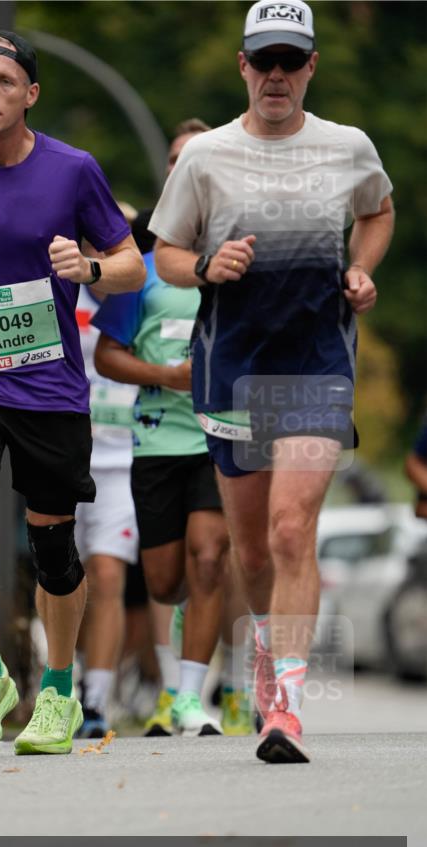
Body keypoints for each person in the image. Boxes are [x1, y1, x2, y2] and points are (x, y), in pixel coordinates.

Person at [151, 0, 394, 763]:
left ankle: (283, 705)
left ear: (311, 66)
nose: (277, 75)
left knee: (293, 531)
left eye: (291, 60)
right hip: (234, 369)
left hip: (315, 364)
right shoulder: (205, 157)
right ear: (243, 67)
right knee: (250, 553)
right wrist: (202, 267)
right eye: (265, 60)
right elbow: (163, 253)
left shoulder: (347, 146)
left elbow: (378, 212)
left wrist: (359, 268)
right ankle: (264, 652)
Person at [0, 30, 145, 755]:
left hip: (49, 387)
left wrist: (90, 270)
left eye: (3, 81)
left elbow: (133, 263)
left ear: (30, 94)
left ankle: (59, 691)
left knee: (52, 550)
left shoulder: (73, 171)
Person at [95, 119, 243, 738]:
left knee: (210, 559)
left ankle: (189, 698)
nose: (187, 167)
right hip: (156, 438)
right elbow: (106, 355)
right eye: (177, 159)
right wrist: (167, 373)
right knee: (164, 578)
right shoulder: (145, 266)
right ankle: (181, 673)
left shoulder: (241, 256)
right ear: (168, 176)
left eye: (198, 158)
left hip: (222, 436)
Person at [74, 274, 139, 737]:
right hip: (64, 457)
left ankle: (96, 700)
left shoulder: (144, 294)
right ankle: (68, 677)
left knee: (109, 574)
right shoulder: (60, 292)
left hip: (123, 460)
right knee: (63, 581)